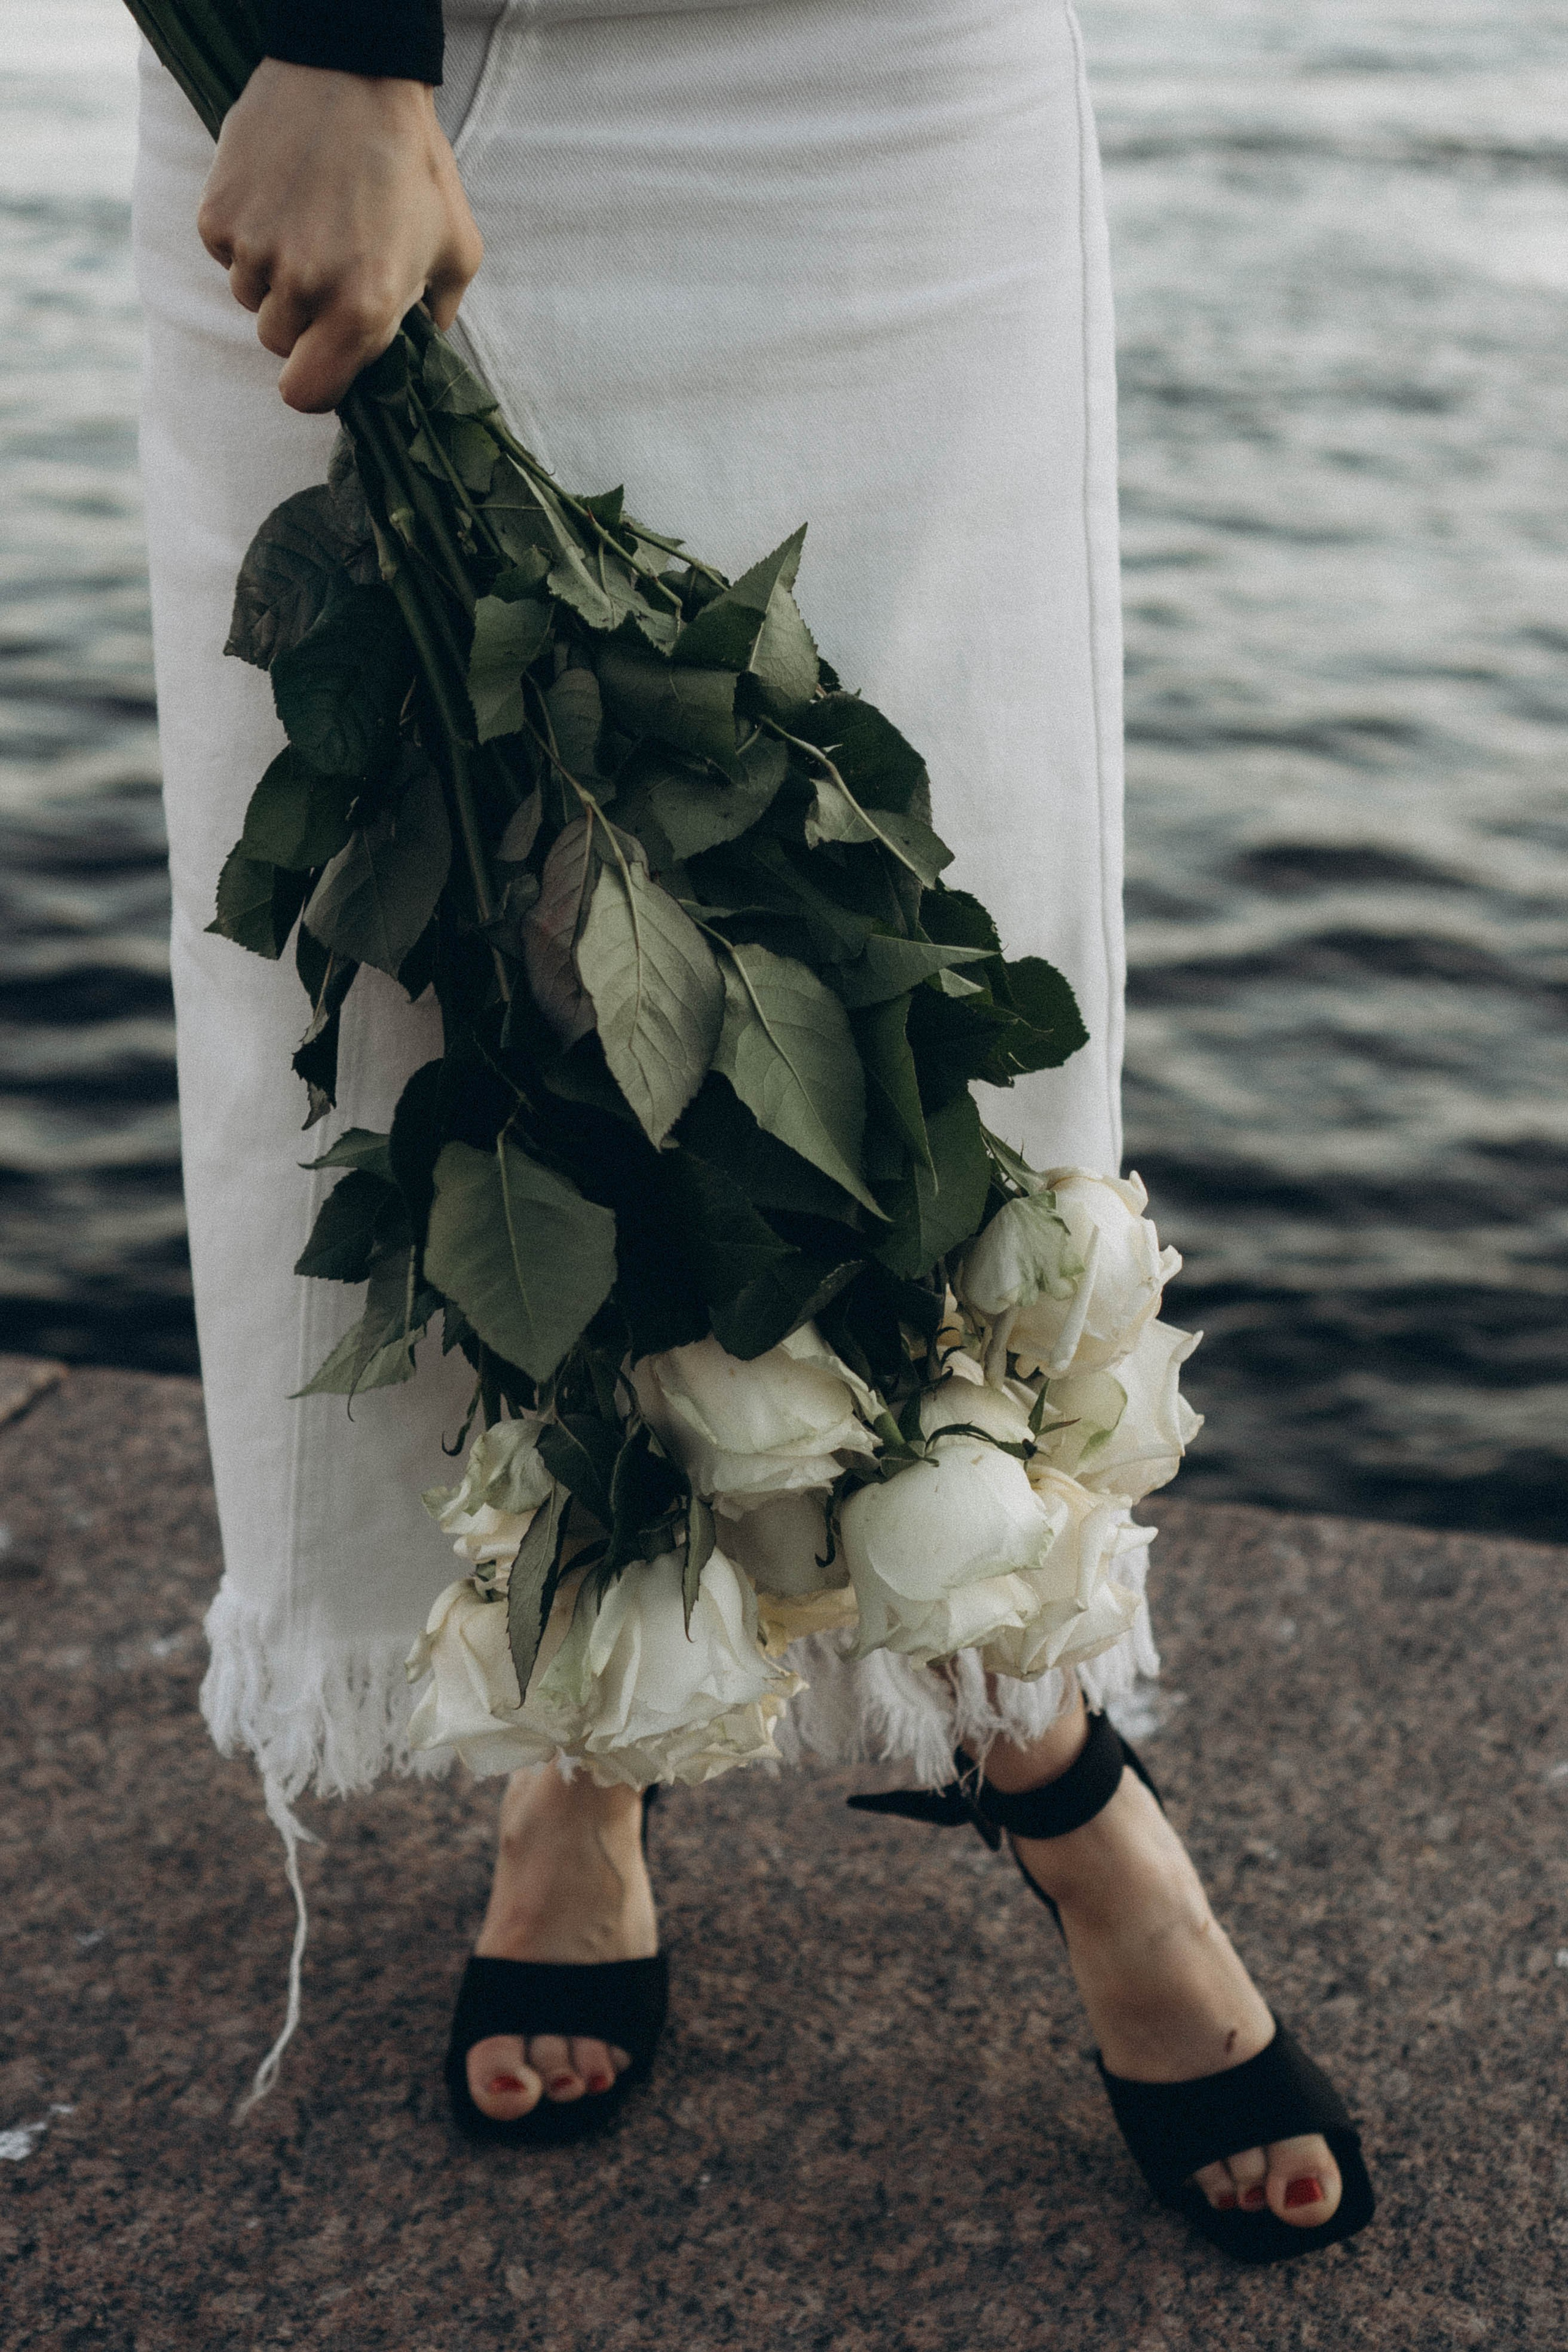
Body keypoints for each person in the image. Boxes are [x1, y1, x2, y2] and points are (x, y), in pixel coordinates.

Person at [132, 0, 1373, 2259]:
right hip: (355, 74)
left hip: (856, 73)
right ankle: (585, 1736)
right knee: (440, 966)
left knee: (898, 936)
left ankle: (1042, 1744)